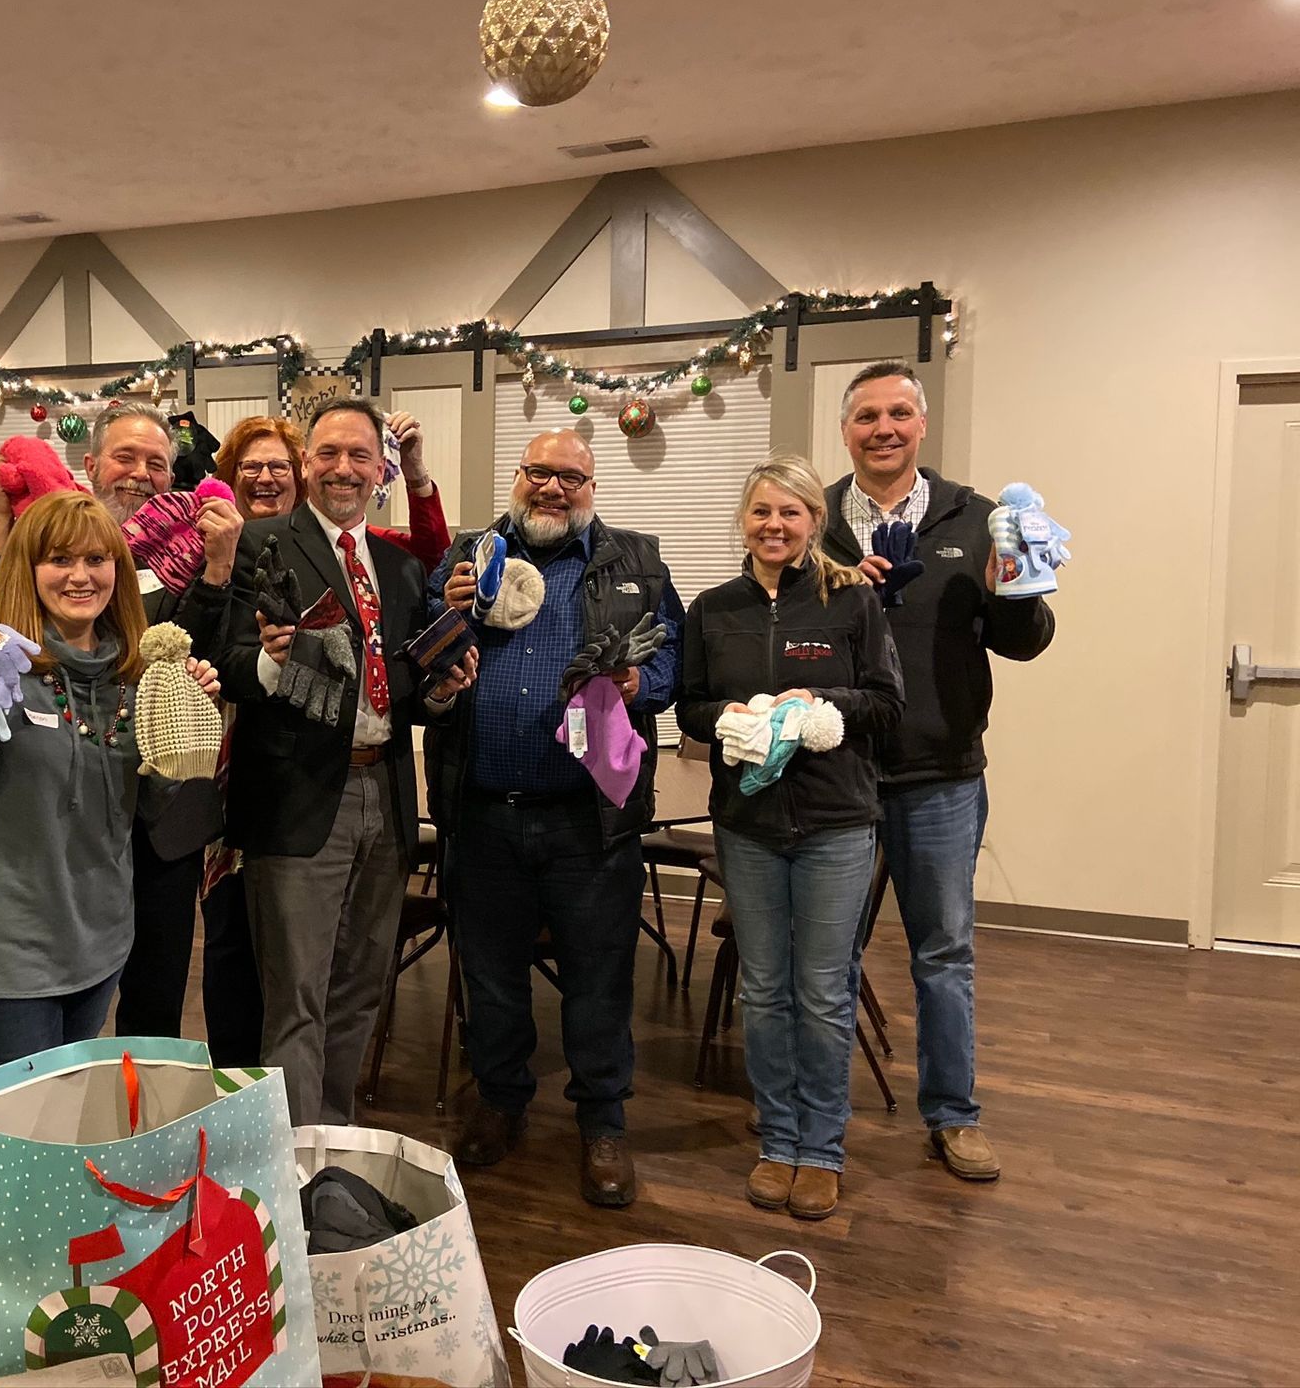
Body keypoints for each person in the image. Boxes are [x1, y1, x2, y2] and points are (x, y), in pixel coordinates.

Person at [427, 430, 684, 1208]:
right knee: (493, 976)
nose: (553, 488)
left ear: (591, 485)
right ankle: (502, 1099)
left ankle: (603, 1122)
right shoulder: (467, 560)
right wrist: (445, 615)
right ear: (517, 476)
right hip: (482, 811)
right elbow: (421, 658)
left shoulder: (635, 560)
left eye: (571, 476)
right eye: (540, 472)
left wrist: (641, 680)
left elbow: (674, 664)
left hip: (589, 820)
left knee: (600, 977)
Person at [821, 361, 1055, 1184]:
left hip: (942, 775)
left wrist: (1016, 589)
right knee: (829, 956)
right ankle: (816, 1122)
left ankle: (953, 1116)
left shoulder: (979, 520)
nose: (882, 429)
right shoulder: (815, 523)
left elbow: (1023, 641)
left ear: (922, 425)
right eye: (866, 417)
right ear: (844, 431)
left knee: (943, 954)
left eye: (897, 414)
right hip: (835, 776)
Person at [221, 397, 476, 1125]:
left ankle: (333, 1138)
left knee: (361, 986)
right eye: (328, 453)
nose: (343, 468)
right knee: (297, 994)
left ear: (379, 470)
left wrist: (444, 691)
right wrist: (270, 664)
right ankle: (295, 1164)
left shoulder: (396, 566)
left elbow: (402, 686)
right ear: (307, 464)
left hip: (388, 792)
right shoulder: (262, 541)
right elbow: (230, 661)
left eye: (359, 455)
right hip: (298, 800)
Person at [0, 491, 218, 1072]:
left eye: (97, 560)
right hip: (3, 956)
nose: (80, 576)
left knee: (66, 1127)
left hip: (99, 946)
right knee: (30, 1141)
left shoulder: (137, 676)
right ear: (28, 570)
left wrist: (185, 729)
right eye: (59, 560)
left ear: (118, 571)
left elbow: (152, 810)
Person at [677, 453, 904, 1222]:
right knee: (765, 989)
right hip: (748, 825)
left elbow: (886, 701)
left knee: (823, 991)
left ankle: (823, 1150)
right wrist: (729, 723)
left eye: (791, 513)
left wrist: (823, 707)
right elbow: (690, 707)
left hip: (836, 824)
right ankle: (777, 1139)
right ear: (744, 521)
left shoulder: (853, 600)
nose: (775, 525)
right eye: (761, 512)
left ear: (816, 521)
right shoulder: (713, 608)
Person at [66, 403, 242, 1042]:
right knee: (67, 994)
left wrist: (217, 571)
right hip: (73, 808)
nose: (140, 474)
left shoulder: (199, 548)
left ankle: (147, 1133)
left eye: (156, 463)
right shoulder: (57, 549)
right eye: (125, 457)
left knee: (156, 996)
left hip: (165, 817)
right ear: (90, 466)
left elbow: (205, 655)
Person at [213, 410, 453, 570]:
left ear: (301, 473)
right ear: (229, 477)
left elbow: (433, 561)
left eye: (279, 467)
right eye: (251, 467)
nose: (265, 478)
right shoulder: (208, 545)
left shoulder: (341, 539)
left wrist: (415, 471)